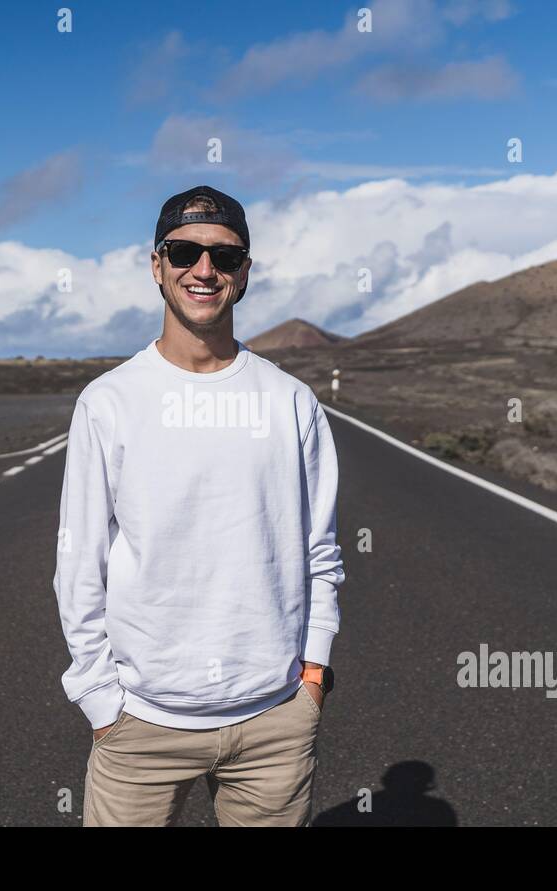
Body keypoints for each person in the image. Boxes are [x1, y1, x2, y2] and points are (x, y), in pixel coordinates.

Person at [52, 184, 345, 826]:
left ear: (245, 271)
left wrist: (313, 676)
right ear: (156, 265)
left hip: (274, 721)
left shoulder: (292, 402)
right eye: (184, 251)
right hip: (141, 726)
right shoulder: (110, 402)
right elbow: (79, 562)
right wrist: (101, 701)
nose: (203, 270)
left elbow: (319, 548)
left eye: (225, 256)